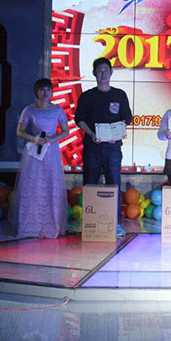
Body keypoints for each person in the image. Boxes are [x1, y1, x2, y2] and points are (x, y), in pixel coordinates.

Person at [75, 57, 133, 236]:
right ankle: (90, 223)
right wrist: (92, 134)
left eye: (106, 70)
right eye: (99, 70)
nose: (103, 74)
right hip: (92, 147)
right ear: (94, 73)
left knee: (114, 184)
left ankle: (115, 223)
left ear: (111, 72)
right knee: (90, 184)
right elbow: (79, 119)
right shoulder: (87, 96)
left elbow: (127, 118)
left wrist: (118, 133)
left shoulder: (119, 95)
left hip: (113, 149)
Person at [9, 78, 70, 238]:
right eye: (42, 90)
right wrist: (34, 139)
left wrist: (52, 139)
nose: (45, 93)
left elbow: (66, 131)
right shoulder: (29, 110)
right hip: (34, 152)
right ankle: (30, 226)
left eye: (48, 90)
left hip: (51, 152)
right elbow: (19, 131)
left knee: (51, 185)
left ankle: (51, 225)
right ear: (36, 92)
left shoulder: (57, 110)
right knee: (33, 186)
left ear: (52, 92)